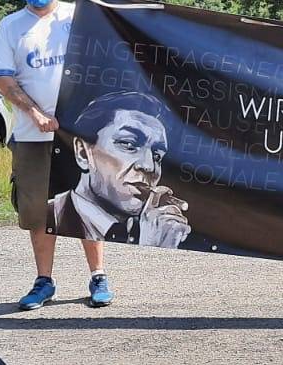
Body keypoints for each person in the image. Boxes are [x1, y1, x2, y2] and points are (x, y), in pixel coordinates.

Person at [0, 0, 108, 310]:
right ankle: (44, 281)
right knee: (38, 211)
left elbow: (114, 45)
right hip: (32, 135)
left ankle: (98, 276)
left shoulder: (78, 16)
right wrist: (35, 113)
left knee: (86, 205)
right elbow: (3, 77)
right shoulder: (11, 26)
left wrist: (98, 3)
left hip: (78, 134)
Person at [49, 90, 192, 248]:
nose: (149, 166)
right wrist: (154, 249)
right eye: (129, 144)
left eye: (157, 156)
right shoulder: (44, 218)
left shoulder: (165, 232)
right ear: (83, 152)